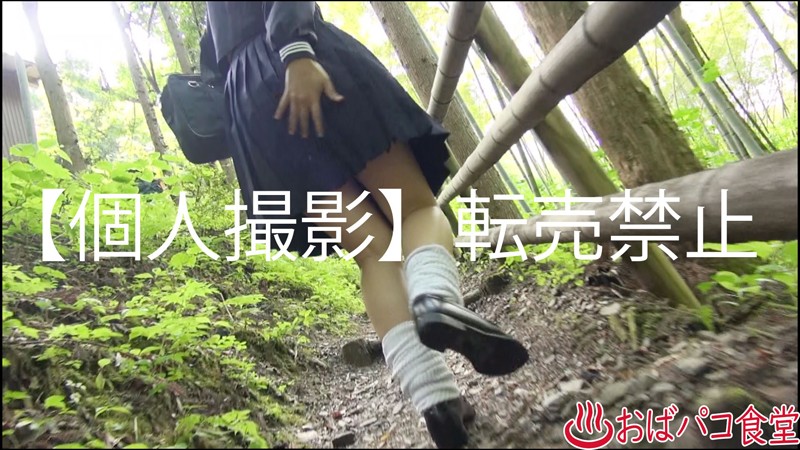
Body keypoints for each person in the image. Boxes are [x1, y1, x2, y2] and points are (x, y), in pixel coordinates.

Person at [204, 2, 529, 447]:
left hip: (249, 106)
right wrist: (295, 50)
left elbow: (212, 56)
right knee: (415, 209)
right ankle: (436, 299)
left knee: (375, 254)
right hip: (297, 58)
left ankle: (437, 402)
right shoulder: (292, 48)